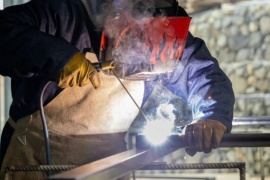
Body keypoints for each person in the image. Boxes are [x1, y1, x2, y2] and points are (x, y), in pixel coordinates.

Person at [0, 0, 235, 179]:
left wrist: (212, 116)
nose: (142, 57)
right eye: (137, 39)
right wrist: (57, 57)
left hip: (110, 165)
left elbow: (204, 75)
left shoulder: (165, 32)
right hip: (34, 161)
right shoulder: (63, 15)